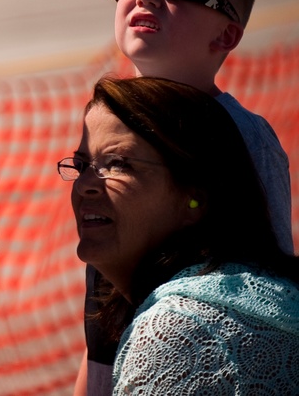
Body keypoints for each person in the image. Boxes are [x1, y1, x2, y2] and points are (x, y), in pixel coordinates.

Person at [76, 0, 294, 395]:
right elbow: (102, 319)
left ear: (226, 36)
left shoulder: (246, 137)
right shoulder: (107, 121)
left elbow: (271, 291)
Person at [63, 76, 299, 394]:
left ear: (195, 200)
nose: (84, 184)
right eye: (81, 165)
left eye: (118, 164)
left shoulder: (177, 331)